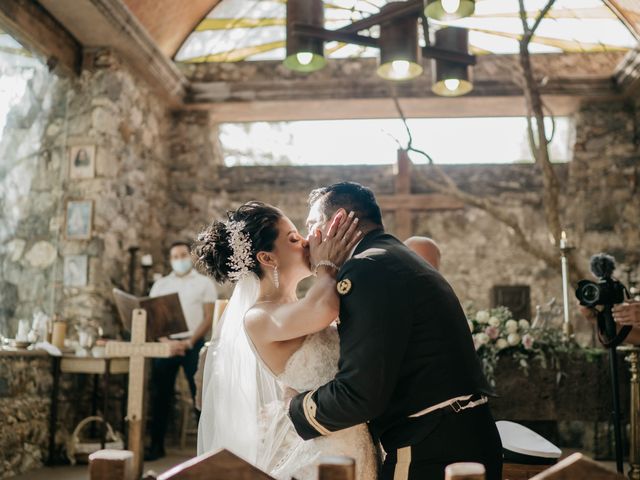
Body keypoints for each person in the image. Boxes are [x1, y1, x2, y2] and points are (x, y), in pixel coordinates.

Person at [288, 182, 503, 480]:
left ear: (336, 222)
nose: (307, 240)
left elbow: (360, 395)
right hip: (456, 437)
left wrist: (292, 410)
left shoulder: (367, 269)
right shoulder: (392, 256)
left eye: (311, 225)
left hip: (431, 451)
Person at [195, 202, 377, 479]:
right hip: (323, 451)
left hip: (353, 440)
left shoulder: (299, 306)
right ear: (268, 258)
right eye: (293, 238)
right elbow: (324, 309)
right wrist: (328, 263)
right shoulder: (257, 317)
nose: (306, 241)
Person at [146, 241, 218, 460]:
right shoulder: (160, 285)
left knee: (199, 393)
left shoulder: (204, 283)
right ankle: (156, 445)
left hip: (193, 343)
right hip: (166, 344)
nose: (179, 259)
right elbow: (152, 318)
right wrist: (165, 341)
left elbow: (208, 317)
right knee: (160, 393)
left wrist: (188, 342)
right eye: (175, 256)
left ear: (190, 256)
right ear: (170, 260)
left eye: (183, 255)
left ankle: (204, 448)